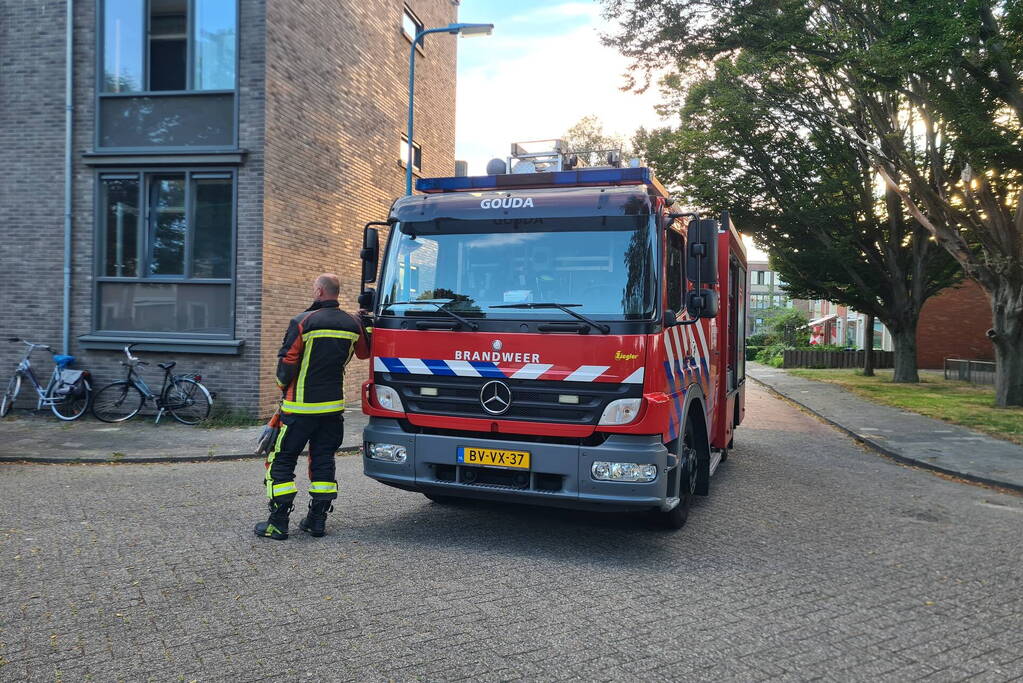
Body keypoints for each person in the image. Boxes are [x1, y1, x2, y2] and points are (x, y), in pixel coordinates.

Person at [254, 273, 370, 540]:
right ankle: (316, 521)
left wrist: (284, 391)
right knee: (323, 461)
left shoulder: (303, 321)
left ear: (319, 291)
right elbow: (365, 352)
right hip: (332, 409)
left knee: (281, 460)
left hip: (300, 409)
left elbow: (286, 365)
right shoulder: (352, 324)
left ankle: (278, 523)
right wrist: (366, 322)